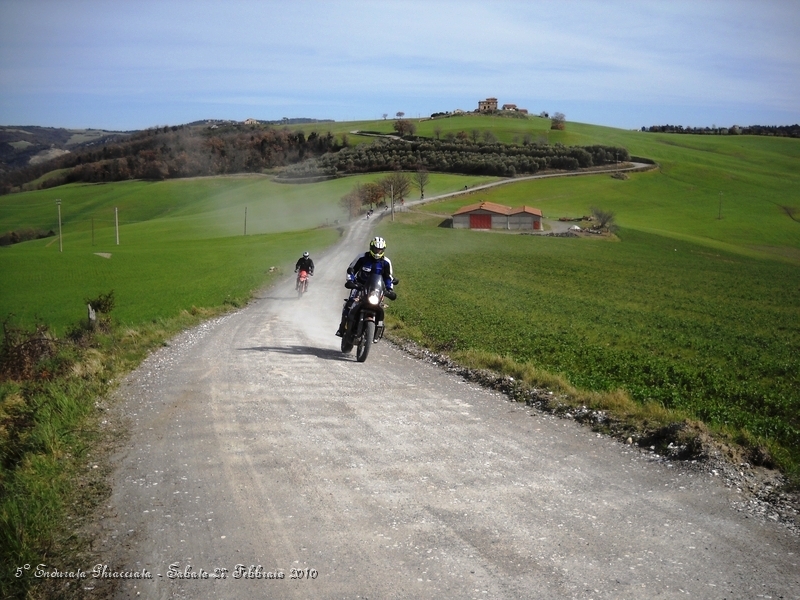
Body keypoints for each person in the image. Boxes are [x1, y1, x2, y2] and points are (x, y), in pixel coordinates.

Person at [336, 236, 394, 337]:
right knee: (350, 304)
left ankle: (377, 330)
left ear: (383, 250)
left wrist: (389, 289)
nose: (377, 252)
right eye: (376, 249)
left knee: (380, 307)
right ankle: (342, 328)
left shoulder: (386, 262)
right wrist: (351, 281)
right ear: (371, 248)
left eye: (380, 250)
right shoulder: (362, 257)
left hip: (376, 290)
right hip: (359, 286)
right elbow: (351, 269)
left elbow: (388, 277)